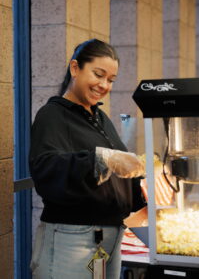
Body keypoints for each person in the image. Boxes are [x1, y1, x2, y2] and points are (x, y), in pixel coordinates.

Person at [29, 39, 147, 279]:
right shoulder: (52, 115)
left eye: (111, 80)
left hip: (106, 241)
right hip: (72, 240)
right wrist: (102, 159)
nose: (104, 85)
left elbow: (118, 174)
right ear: (75, 68)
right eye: (98, 74)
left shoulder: (100, 118)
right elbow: (46, 168)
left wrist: (143, 188)